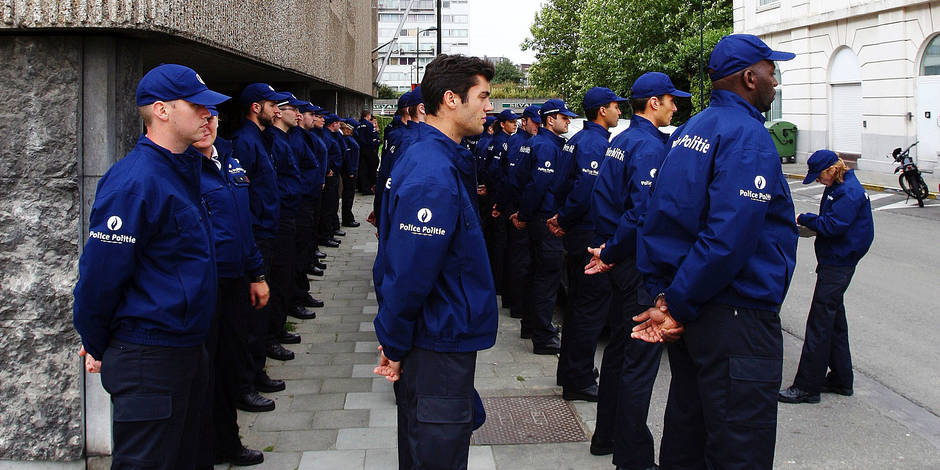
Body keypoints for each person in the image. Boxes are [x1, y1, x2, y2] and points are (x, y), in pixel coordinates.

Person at [631, 34, 797, 469]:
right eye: (770, 70)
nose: (774, 81)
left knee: (690, 434)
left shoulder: (690, 129)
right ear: (749, 76)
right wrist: (677, 304)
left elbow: (660, 216)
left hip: (698, 309)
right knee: (738, 446)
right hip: (735, 315)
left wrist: (666, 297)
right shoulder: (747, 136)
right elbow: (729, 238)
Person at [73, 63, 229, 469]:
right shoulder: (136, 181)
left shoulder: (182, 171)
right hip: (149, 356)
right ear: (161, 110)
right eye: (196, 106)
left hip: (186, 350)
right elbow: (98, 279)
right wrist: (96, 341)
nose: (208, 115)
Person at [373, 54, 497, 470]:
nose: (489, 106)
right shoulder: (431, 169)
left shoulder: (440, 158)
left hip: (438, 336)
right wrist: (393, 341)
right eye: (482, 96)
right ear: (451, 99)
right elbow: (409, 270)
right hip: (436, 341)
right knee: (436, 452)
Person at [582, 74, 689, 469]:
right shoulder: (646, 145)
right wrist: (612, 252)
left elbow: (604, 199)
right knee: (639, 363)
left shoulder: (623, 140)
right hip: (636, 262)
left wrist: (609, 248)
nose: (676, 108)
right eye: (672, 101)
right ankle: (633, 456)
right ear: (654, 103)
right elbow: (642, 212)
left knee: (621, 352)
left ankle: (606, 436)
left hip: (621, 256)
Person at [194, 105, 267, 467]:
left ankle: (228, 442)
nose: (207, 123)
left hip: (236, 279)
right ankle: (205, 449)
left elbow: (242, 223)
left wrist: (257, 274)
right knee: (202, 375)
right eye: (200, 115)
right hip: (205, 286)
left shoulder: (229, 160)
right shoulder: (183, 169)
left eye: (212, 115)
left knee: (230, 362)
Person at [550, 87, 627, 402]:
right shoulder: (595, 143)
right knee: (591, 311)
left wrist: (562, 219)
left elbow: (560, 184)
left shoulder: (577, 141)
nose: (619, 112)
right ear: (601, 111)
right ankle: (580, 379)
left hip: (577, 231)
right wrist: (566, 220)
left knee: (579, 307)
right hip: (589, 233)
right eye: (614, 107)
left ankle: (570, 373)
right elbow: (586, 188)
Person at [779, 150, 874, 404]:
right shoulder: (841, 186)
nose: (819, 181)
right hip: (836, 260)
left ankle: (807, 387)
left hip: (838, 263)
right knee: (833, 320)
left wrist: (805, 218)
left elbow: (833, 226)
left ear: (832, 169)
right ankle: (842, 379)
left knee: (819, 323)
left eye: (820, 176)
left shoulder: (848, 192)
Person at [230, 82, 291, 409]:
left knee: (261, 310)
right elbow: (242, 194)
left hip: (267, 232)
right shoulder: (244, 141)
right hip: (255, 236)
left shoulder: (260, 139)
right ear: (256, 107)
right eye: (271, 105)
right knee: (251, 315)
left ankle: (256, 372)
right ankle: (246, 383)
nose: (277, 110)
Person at [514, 98, 578, 355]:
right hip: (545, 218)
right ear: (550, 120)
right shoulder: (546, 146)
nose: (568, 121)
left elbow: (521, 180)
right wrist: (527, 214)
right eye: (564, 117)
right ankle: (543, 334)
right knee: (547, 278)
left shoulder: (536, 143)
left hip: (536, 217)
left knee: (536, 274)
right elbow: (538, 184)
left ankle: (531, 325)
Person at [503, 105, 541, 328]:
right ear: (525, 121)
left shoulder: (527, 142)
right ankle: (517, 304)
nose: (537, 126)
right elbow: (515, 179)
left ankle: (516, 303)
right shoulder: (520, 143)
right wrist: (518, 209)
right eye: (534, 122)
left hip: (521, 208)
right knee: (519, 260)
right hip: (519, 209)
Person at [341, 118, 361, 227]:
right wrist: (350, 171)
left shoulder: (350, 137)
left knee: (349, 195)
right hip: (350, 171)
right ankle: (347, 218)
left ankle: (348, 216)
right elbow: (348, 157)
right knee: (348, 195)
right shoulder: (347, 139)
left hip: (353, 169)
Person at [356, 110, 381, 195]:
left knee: (363, 169)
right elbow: (374, 136)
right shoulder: (369, 125)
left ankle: (362, 187)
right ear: (367, 115)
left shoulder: (358, 126)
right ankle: (371, 187)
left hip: (361, 150)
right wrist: (376, 141)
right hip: (370, 149)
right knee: (372, 168)